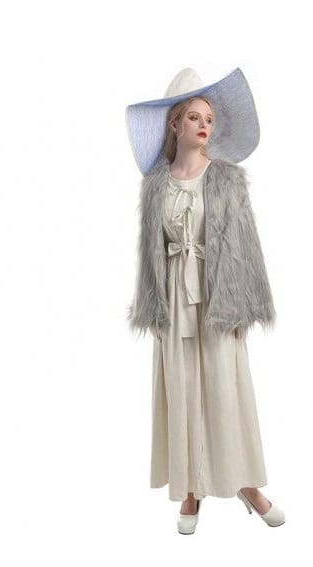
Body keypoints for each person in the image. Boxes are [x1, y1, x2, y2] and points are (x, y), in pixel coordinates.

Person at [126, 67, 285, 534]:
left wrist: (241, 304)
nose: (204, 126)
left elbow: (246, 245)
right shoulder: (156, 184)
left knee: (224, 390)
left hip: (218, 296)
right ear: (175, 124)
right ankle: (190, 490)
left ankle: (246, 485)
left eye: (209, 119)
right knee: (182, 389)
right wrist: (154, 306)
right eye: (194, 117)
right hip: (174, 299)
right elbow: (149, 254)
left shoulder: (227, 180)